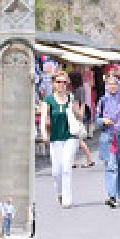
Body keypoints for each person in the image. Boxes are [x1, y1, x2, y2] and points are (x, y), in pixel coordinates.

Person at [96, 74, 120, 208]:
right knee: (111, 166)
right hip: (108, 137)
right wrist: (103, 121)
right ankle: (112, 196)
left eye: (114, 84)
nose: (112, 86)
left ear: (118, 86)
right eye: (109, 84)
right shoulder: (103, 101)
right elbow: (96, 120)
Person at [42, 71, 77, 208]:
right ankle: (60, 193)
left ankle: (67, 200)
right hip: (55, 138)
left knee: (66, 168)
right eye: (58, 82)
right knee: (56, 171)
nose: (61, 85)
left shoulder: (71, 98)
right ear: (54, 84)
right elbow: (44, 117)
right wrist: (44, 132)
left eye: (64, 82)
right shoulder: (48, 100)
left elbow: (79, 117)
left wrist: (76, 110)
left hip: (70, 137)